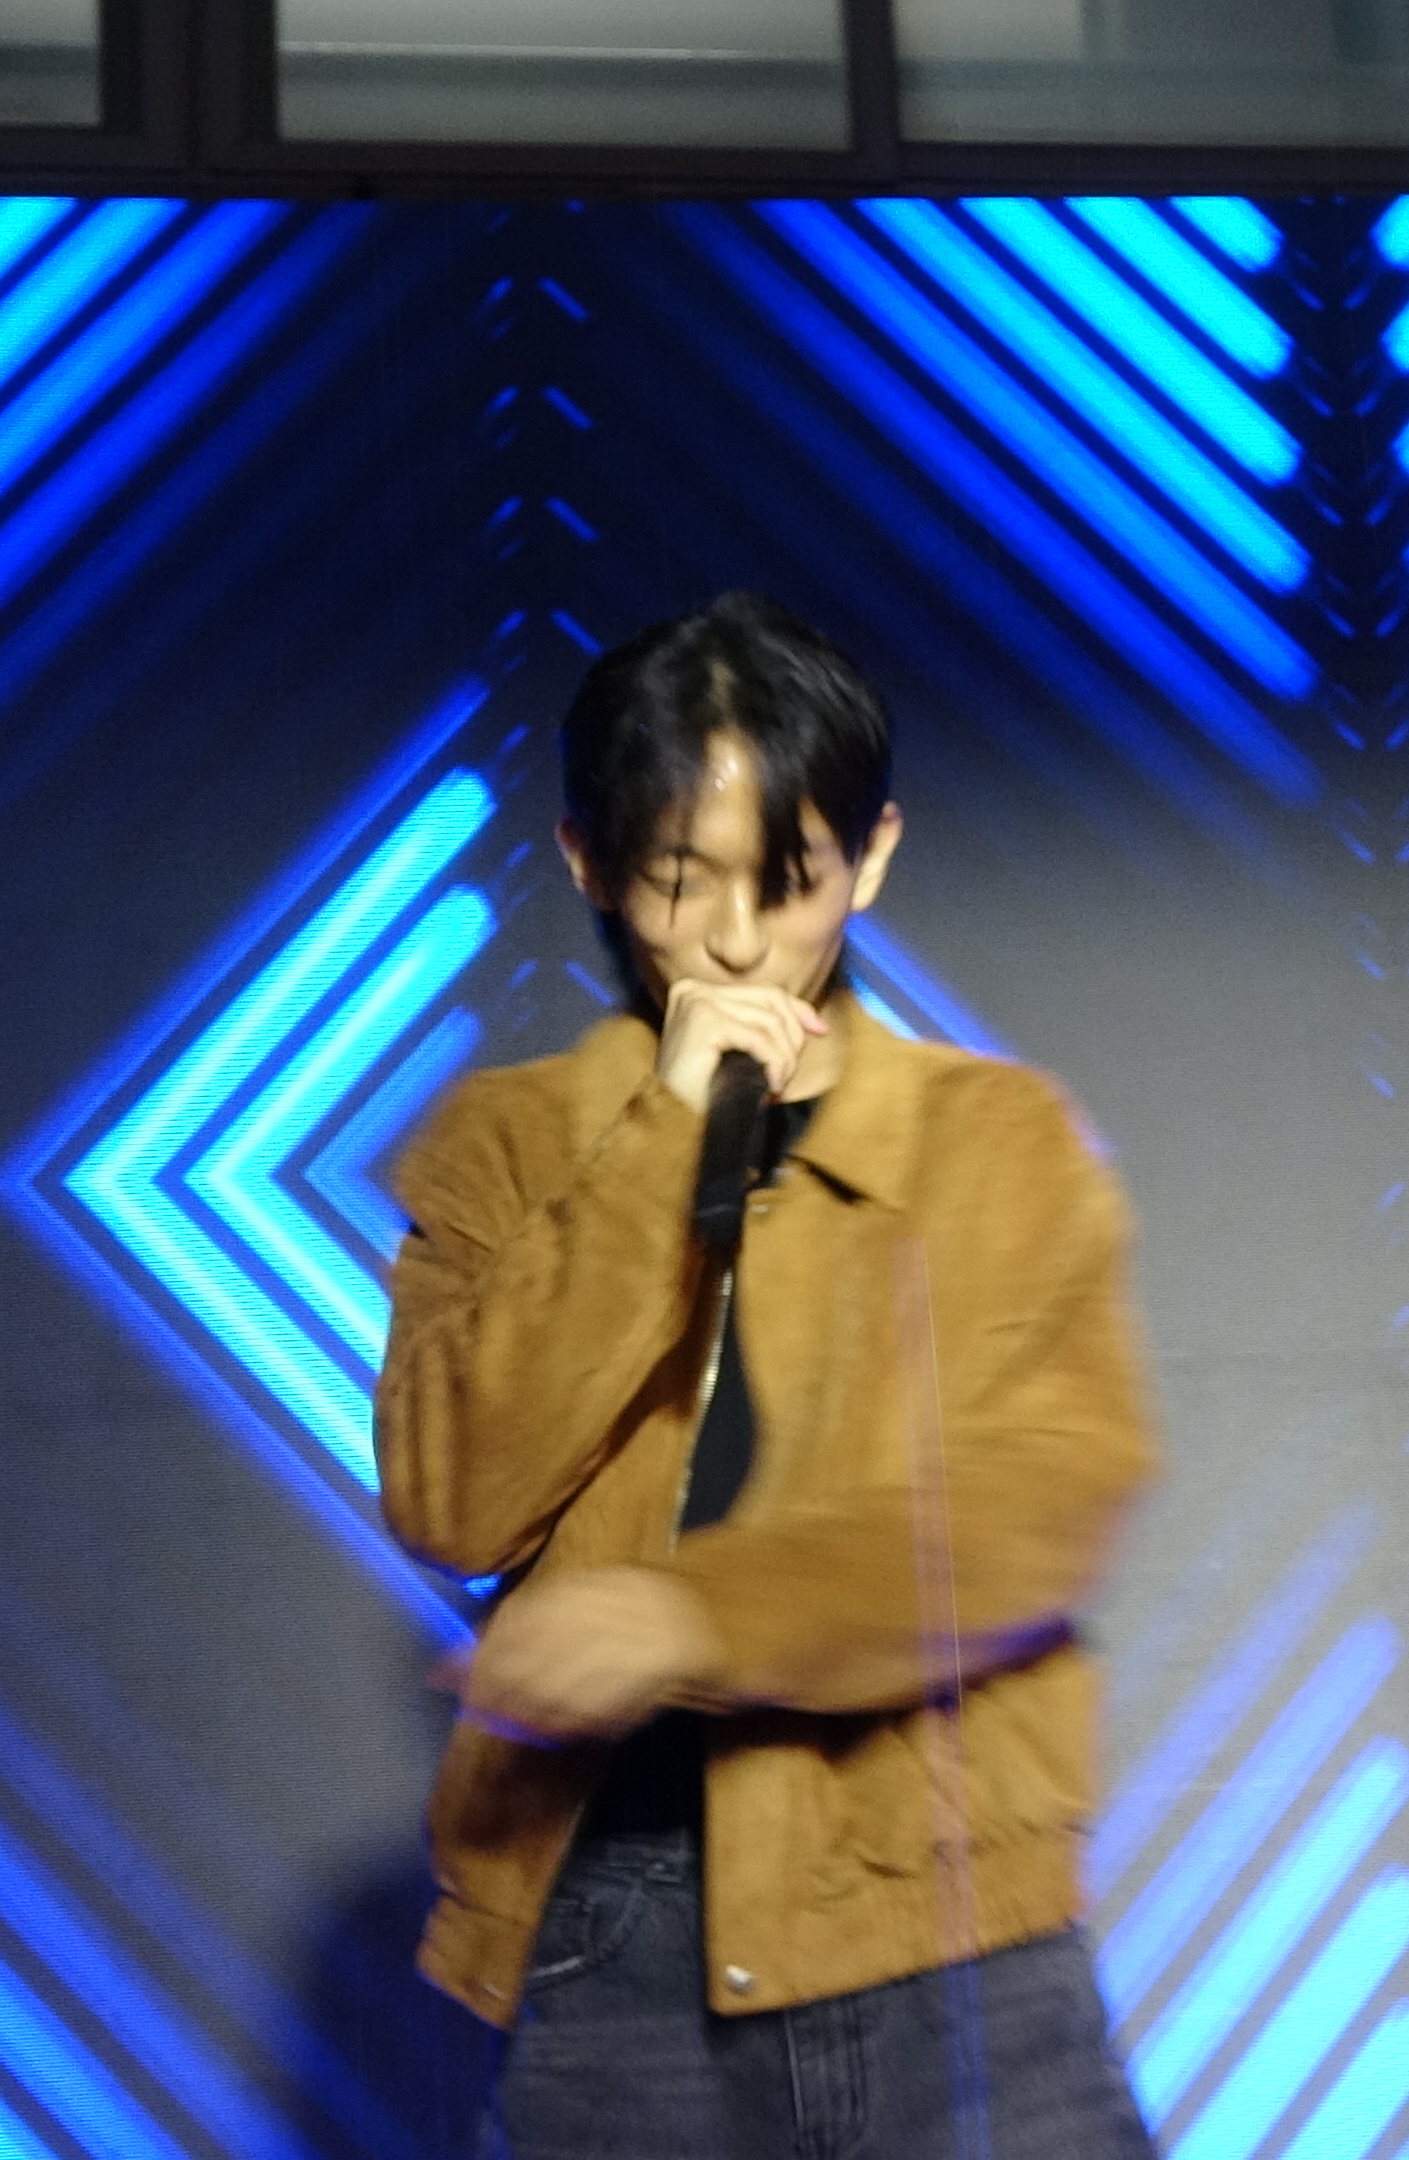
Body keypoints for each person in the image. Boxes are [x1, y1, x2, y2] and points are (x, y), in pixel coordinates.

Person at [374, 592, 1165, 2158]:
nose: (737, 940)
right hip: (616, 1920)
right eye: (680, 880)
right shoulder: (504, 1145)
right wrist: (660, 1139)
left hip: (941, 1903)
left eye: (789, 880)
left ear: (870, 858)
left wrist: (696, 1618)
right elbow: (454, 1499)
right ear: (590, 863)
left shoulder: (995, 1140)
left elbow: (1043, 1502)